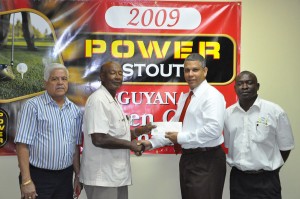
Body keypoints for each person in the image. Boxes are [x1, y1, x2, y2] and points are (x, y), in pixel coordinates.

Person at [140, 53, 227, 199]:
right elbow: (174, 127)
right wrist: (150, 143)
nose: (190, 74)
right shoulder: (185, 97)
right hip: (188, 159)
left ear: (205, 71)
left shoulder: (212, 96)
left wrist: (180, 137)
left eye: (195, 70)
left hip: (207, 160)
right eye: (187, 70)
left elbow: (214, 130)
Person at [79, 61, 156, 199]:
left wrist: (140, 131)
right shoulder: (98, 100)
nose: (117, 77)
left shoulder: (113, 101)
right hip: (102, 178)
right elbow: (99, 139)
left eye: (120, 73)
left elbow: (120, 135)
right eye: (113, 73)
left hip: (116, 177)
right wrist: (130, 145)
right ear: (102, 76)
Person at [14, 63, 83, 199]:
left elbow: (75, 146)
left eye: (64, 79)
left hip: (65, 177)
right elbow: (22, 145)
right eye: (54, 79)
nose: (60, 83)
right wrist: (26, 180)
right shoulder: (33, 106)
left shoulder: (75, 111)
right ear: (45, 83)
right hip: (38, 177)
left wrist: (78, 176)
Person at [224, 71, 294, 199]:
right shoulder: (228, 114)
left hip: (267, 180)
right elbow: (229, 145)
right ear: (235, 88)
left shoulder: (275, 111)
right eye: (240, 84)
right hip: (238, 180)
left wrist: (271, 169)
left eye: (249, 83)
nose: (244, 87)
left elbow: (286, 147)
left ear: (257, 86)